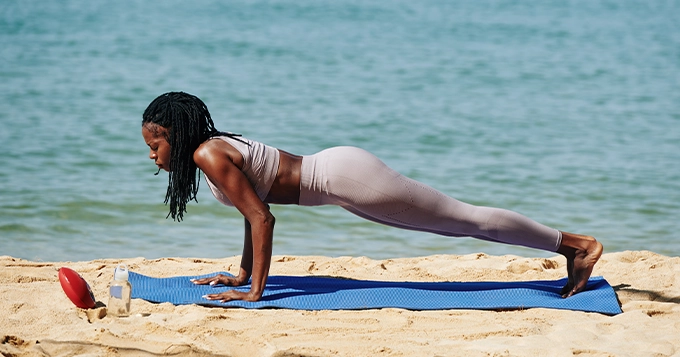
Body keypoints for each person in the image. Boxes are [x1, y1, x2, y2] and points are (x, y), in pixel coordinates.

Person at [141, 91, 603, 303]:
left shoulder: (208, 154)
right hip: (341, 185)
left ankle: (577, 245)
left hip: (345, 177)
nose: (152, 155)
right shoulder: (212, 151)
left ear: (176, 137)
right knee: (458, 221)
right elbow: (254, 210)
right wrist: (241, 274)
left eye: (154, 145)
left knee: (465, 219)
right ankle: (569, 247)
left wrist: (255, 292)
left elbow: (263, 220)